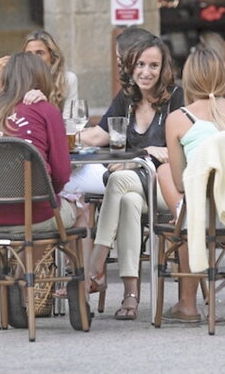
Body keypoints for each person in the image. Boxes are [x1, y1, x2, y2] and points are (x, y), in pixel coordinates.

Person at [80, 35, 184, 320]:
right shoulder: (126, 98)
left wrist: (142, 155)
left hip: (165, 187)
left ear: (163, 68)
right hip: (133, 187)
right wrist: (66, 133)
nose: (146, 72)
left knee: (118, 181)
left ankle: (95, 267)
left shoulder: (175, 97)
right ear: (131, 66)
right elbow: (101, 135)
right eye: (140, 64)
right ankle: (131, 296)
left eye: (153, 65)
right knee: (126, 199)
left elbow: (176, 152)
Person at [162, 45, 225, 323]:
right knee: (195, 211)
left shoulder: (179, 118)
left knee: (167, 174)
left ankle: (187, 304)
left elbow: (179, 181)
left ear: (187, 79)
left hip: (206, 215)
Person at [0, 53, 87, 259]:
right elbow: (62, 175)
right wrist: (47, 194)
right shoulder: (47, 110)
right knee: (81, 211)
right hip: (35, 215)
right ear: (41, 78)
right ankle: (74, 285)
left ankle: (18, 276)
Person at [0, 30, 77, 110]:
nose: (33, 58)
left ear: (52, 57)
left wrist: (45, 106)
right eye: (29, 54)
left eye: (39, 53)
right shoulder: (17, 79)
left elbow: (70, 122)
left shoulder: (67, 79)